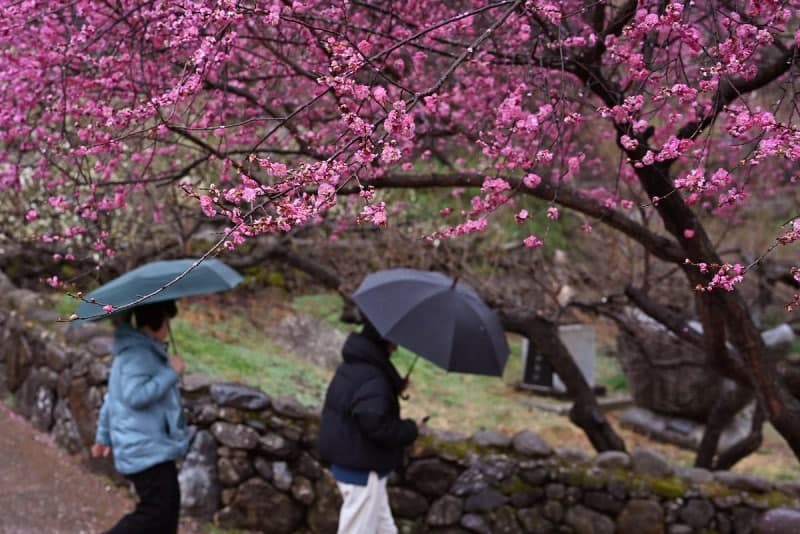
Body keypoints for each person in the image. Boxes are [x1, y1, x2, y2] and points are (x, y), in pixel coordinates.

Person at [91, 299, 188, 534]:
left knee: (167, 511)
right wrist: (170, 373)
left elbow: (111, 400)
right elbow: (135, 396)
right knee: (155, 513)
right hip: (146, 450)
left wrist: (103, 437)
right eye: (167, 323)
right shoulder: (139, 355)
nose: (168, 329)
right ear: (159, 323)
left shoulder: (132, 352)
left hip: (149, 447)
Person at [318, 319, 421, 534]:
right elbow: (376, 425)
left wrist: (395, 384)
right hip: (362, 470)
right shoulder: (373, 378)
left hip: (354, 462)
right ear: (382, 340)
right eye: (394, 340)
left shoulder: (356, 366)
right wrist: (411, 429)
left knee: (384, 529)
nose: (397, 346)